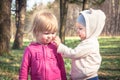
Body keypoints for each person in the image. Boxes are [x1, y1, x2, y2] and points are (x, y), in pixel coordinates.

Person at [54, 8, 106, 80]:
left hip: (88, 78)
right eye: (77, 28)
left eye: (80, 28)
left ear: (91, 29)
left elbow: (74, 53)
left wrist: (60, 46)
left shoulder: (90, 43)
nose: (77, 31)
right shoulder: (88, 41)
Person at [19, 11, 67, 80]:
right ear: (36, 31)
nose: (50, 36)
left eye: (53, 33)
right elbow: (24, 68)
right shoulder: (30, 49)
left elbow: (61, 65)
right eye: (47, 33)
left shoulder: (55, 47)